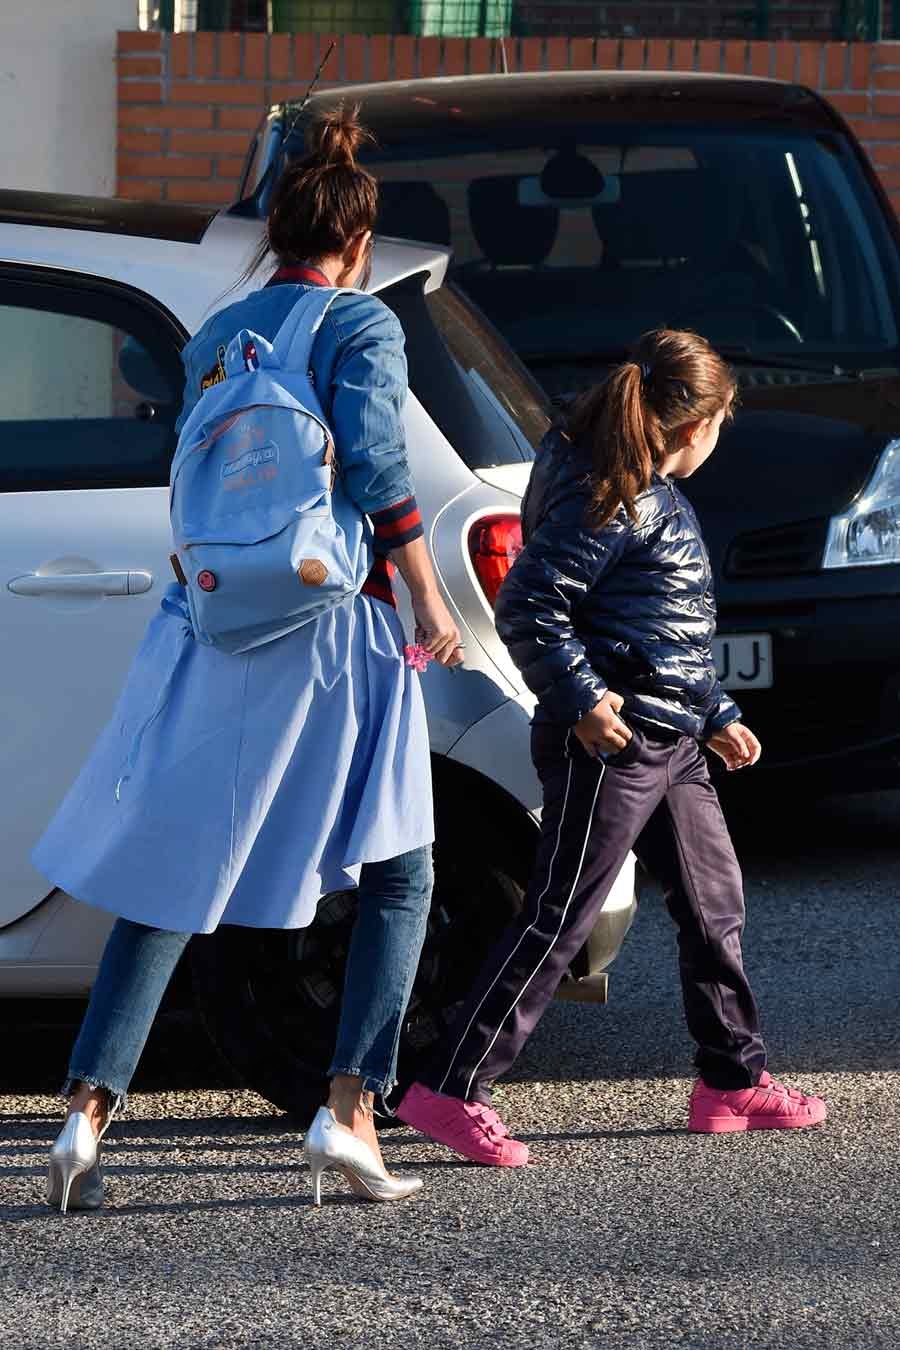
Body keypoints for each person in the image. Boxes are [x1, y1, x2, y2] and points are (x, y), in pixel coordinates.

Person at [34, 106, 463, 1212]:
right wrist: (427, 597)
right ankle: (351, 1113)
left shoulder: (219, 333)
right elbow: (373, 469)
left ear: (275, 237)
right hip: (335, 629)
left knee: (174, 871)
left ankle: (84, 1110)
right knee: (400, 866)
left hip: (220, 628)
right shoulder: (360, 327)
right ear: (357, 245)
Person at [397, 329, 826, 1165]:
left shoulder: (640, 487)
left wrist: (716, 710)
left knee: (715, 905)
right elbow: (530, 605)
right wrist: (584, 702)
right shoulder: (608, 491)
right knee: (561, 916)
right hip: (615, 744)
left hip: (675, 738)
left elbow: (658, 632)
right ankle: (450, 1090)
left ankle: (732, 1082)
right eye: (720, 426)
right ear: (692, 425)